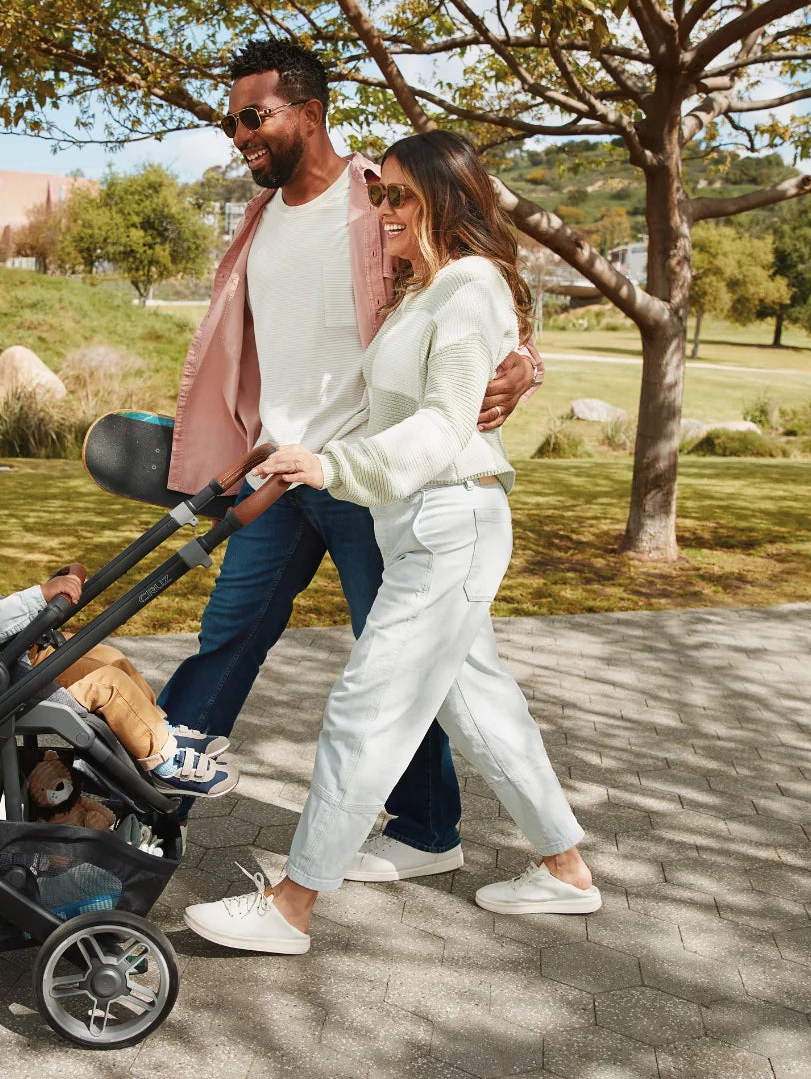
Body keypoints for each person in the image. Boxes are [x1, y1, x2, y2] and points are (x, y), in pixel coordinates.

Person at [183, 131, 599, 955]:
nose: (383, 211)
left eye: (400, 196)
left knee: (366, 706)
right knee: (479, 705)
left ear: (449, 200)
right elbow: (370, 405)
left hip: (450, 518)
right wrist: (284, 448)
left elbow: (444, 430)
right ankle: (564, 870)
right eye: (379, 196)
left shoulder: (471, 287)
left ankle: (291, 905)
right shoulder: (424, 293)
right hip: (418, 521)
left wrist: (332, 465)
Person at [159, 39, 544, 880]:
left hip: (371, 476)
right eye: (230, 123)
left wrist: (523, 363)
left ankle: (424, 830)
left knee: (399, 660)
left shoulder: (381, 199)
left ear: (310, 111)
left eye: (252, 117)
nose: (238, 136)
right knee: (225, 638)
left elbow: (482, 287)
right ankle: (141, 808)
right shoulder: (255, 223)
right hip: (279, 471)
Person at [0, 487, 238, 798]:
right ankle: (165, 763)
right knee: (109, 684)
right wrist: (40, 595)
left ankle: (160, 730)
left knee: (109, 658)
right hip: (11, 677)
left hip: (26, 654)